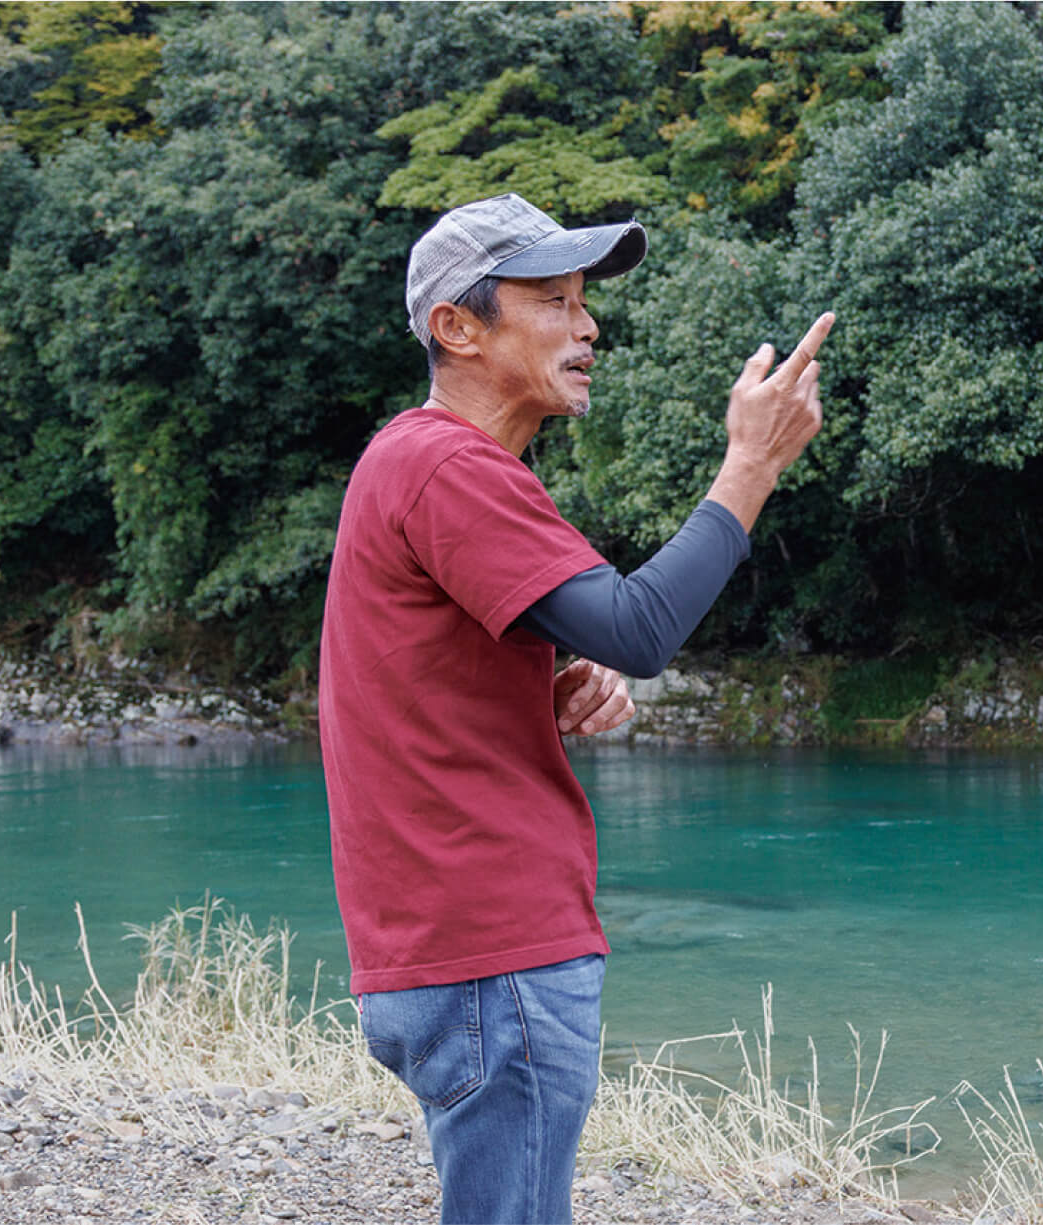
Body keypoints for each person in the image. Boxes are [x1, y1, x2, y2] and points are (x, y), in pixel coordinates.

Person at [319, 192, 830, 1224]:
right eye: (551, 300)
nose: (587, 325)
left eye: (584, 300)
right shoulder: (447, 464)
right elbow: (639, 628)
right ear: (457, 328)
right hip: (492, 952)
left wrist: (539, 687)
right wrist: (751, 467)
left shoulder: (415, 464)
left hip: (449, 951)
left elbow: (413, 681)